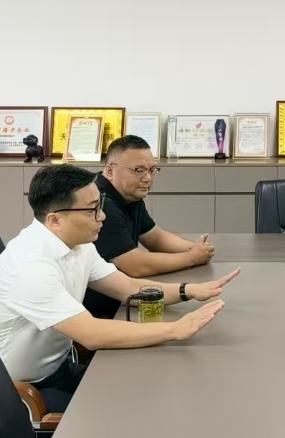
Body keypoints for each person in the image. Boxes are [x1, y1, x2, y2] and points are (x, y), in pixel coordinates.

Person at [0, 164, 241, 412]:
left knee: (145, 390)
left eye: (99, 205)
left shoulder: (78, 245)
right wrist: (175, 329)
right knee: (127, 410)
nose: (102, 216)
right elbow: (91, 333)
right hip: (18, 391)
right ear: (55, 220)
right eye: (92, 209)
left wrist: (188, 290)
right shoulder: (30, 266)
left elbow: (128, 287)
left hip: (58, 367)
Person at [83, 135, 215, 319]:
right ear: (110, 170)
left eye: (152, 170)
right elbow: (135, 265)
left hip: (120, 297)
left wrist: (196, 248)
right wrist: (191, 257)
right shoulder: (100, 203)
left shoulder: (129, 195)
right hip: (93, 313)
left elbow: (155, 237)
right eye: (138, 170)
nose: (147, 178)